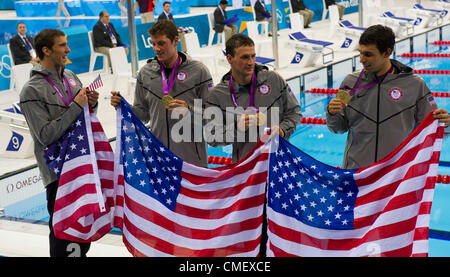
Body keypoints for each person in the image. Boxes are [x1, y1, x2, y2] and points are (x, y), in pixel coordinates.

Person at [19, 28, 99, 257]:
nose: (69, 49)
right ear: (46, 50)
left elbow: (83, 119)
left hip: (82, 165)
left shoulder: (71, 77)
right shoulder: (31, 90)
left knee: (83, 233)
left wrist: (90, 104)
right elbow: (44, 135)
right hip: (58, 174)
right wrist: (76, 105)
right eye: (63, 45)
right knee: (65, 238)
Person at [326, 25, 450, 169]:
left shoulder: (415, 85)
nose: (361, 59)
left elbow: (431, 127)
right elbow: (338, 128)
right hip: (358, 173)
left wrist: (445, 123)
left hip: (395, 175)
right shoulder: (350, 83)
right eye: (360, 53)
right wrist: (332, 113)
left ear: (387, 53)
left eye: (368, 54)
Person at [110, 19, 214, 167]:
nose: (156, 48)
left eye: (161, 43)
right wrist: (123, 106)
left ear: (175, 40)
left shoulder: (198, 71)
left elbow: (212, 115)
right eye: (153, 43)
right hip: (160, 158)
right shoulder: (146, 73)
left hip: (192, 160)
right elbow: (143, 114)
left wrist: (189, 111)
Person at [205, 33, 302, 164]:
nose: (251, 62)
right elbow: (212, 137)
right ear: (229, 58)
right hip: (247, 169)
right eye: (245, 57)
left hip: (279, 163)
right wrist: (236, 129)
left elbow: (294, 112)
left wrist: (282, 130)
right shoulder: (218, 95)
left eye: (253, 56)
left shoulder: (274, 80)